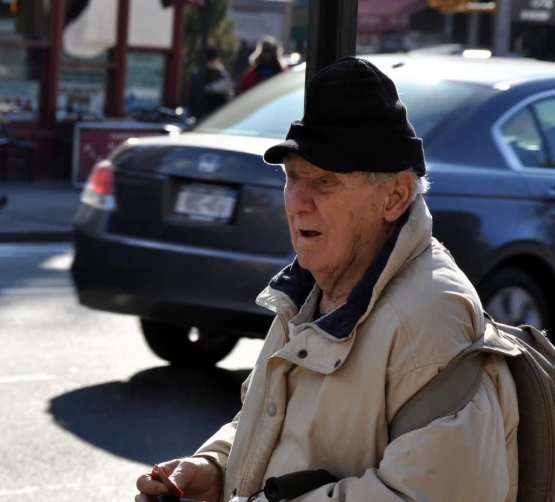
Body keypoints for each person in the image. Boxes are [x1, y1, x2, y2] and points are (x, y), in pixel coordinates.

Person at [135, 57, 520, 502]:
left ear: (394, 196)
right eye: (293, 177)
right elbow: (276, 425)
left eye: (325, 181)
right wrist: (215, 469)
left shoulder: (430, 318)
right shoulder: (308, 291)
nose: (297, 201)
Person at [189, 47, 234, 120]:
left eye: (215, 60)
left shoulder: (221, 74)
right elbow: (194, 96)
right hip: (203, 113)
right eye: (211, 61)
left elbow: (229, 92)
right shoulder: (199, 75)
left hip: (219, 113)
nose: (214, 63)